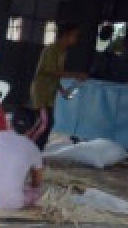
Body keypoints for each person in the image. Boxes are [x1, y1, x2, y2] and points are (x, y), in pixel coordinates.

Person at [28, 21, 86, 151]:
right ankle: (32, 149)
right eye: (74, 35)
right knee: (45, 123)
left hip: (49, 92)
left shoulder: (62, 51)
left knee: (47, 122)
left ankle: (36, 149)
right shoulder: (51, 50)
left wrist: (62, 90)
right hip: (41, 91)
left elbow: (55, 76)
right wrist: (76, 74)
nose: (76, 39)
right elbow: (52, 72)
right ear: (66, 35)